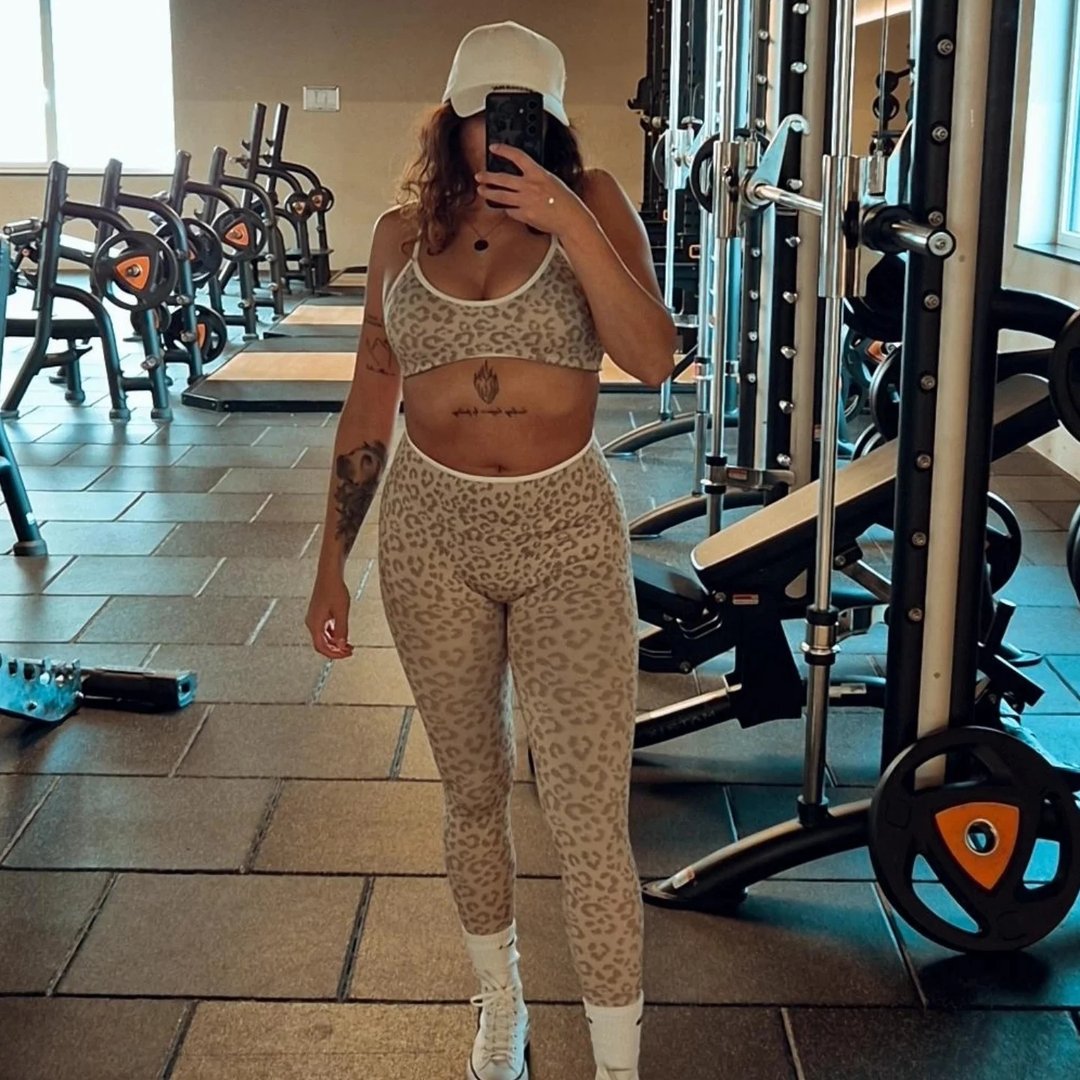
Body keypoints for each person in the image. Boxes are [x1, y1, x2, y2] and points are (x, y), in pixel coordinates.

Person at [306, 20, 676, 1080]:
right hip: (434, 534)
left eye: (521, 113)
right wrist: (331, 563)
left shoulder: (593, 203)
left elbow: (653, 358)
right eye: (480, 114)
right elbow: (370, 406)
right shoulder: (400, 234)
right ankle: (499, 1001)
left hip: (566, 532)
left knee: (588, 816)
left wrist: (567, 220)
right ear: (450, 118)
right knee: (472, 793)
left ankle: (616, 1064)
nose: (496, 133)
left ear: (552, 122)